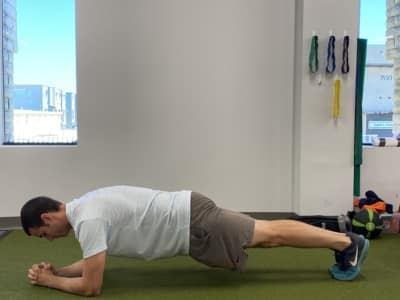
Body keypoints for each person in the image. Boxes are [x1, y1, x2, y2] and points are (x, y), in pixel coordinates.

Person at [21, 185, 369, 297]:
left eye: (43, 235)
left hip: (193, 221)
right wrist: (61, 271)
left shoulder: (88, 218)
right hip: (191, 218)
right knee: (265, 238)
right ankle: (342, 243)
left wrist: (53, 281)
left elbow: (92, 285)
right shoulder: (87, 207)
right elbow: (94, 261)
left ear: (48, 218)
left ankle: (346, 243)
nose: (49, 240)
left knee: (268, 233)